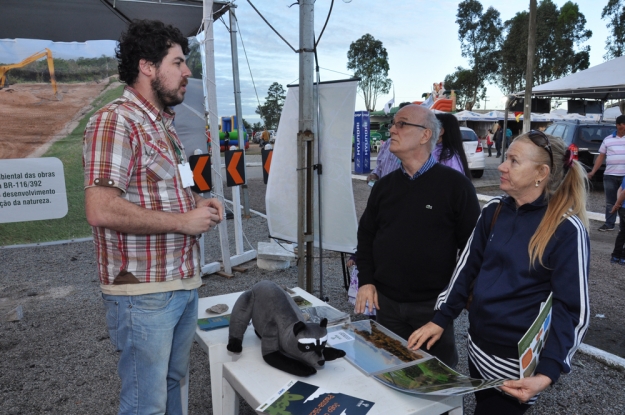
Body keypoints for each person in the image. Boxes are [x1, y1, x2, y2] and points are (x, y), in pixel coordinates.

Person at [83, 20, 224, 415]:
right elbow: (100, 208)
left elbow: (165, 190)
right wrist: (182, 222)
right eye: (178, 62)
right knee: (147, 403)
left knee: (173, 385)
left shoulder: (163, 125)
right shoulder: (116, 121)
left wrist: (202, 204)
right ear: (148, 66)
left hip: (180, 282)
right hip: (143, 293)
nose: (187, 72)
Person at [408, 131, 590, 414]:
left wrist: (547, 372)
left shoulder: (567, 229)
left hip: (517, 365)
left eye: (513, 161)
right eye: (506, 158)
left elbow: (571, 309)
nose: (502, 167)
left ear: (541, 173)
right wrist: (441, 319)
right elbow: (466, 269)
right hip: (478, 348)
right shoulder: (493, 210)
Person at [355, 104, 481, 368]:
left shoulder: (456, 187)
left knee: (435, 381)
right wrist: (366, 281)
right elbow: (366, 235)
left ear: (425, 135)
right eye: (393, 123)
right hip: (386, 305)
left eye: (401, 123)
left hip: (432, 309)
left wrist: (454, 304)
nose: (391, 129)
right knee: (389, 371)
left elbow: (472, 252)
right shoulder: (384, 187)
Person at [588, 114, 625, 231]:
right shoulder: (608, 139)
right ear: (618, 125)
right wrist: (593, 172)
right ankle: (609, 224)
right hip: (610, 175)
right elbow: (600, 157)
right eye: (623, 125)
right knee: (610, 201)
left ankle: (623, 226)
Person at [433, 113, 471, 179]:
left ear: (441, 131)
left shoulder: (448, 155)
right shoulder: (435, 150)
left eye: (430, 127)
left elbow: (456, 183)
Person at [609, 177, 625, 264]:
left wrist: (618, 204)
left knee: (622, 232)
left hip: (623, 208)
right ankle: (623, 257)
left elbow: (620, 189)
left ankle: (615, 256)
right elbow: (624, 192)